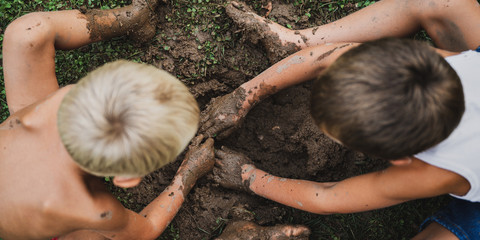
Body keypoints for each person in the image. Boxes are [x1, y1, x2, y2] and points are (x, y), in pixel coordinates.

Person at [202, 0, 480, 239]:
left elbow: (326, 196)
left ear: (401, 159)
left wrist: (248, 176)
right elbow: (327, 58)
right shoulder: (437, 69)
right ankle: (294, 41)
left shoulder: (434, 172)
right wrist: (244, 96)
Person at [0, 1, 215, 239]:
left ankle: (131, 19)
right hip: (36, 214)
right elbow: (145, 231)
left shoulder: (63, 100)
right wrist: (189, 172)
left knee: (27, 33)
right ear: (126, 178)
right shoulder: (95, 211)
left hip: (23, 147)